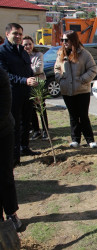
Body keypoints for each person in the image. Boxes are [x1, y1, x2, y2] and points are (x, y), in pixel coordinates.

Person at [0, 23, 40, 167]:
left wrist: (34, 89)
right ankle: (14, 157)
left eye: (20, 34)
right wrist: (24, 80)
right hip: (12, 94)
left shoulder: (22, 51)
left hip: (26, 93)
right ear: (7, 34)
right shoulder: (2, 52)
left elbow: (29, 70)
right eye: (15, 34)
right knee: (15, 125)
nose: (18, 36)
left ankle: (25, 147)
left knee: (26, 123)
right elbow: (5, 75)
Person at [54, 30, 97, 148]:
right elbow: (57, 68)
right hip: (67, 91)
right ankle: (75, 140)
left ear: (73, 40)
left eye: (66, 40)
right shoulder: (61, 54)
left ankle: (90, 140)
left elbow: (93, 69)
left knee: (83, 116)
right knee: (73, 116)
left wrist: (82, 80)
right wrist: (60, 79)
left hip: (82, 91)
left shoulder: (84, 54)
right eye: (62, 40)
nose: (64, 42)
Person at [0, 67, 22, 231]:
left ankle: (11, 213)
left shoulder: (1, 74)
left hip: (3, 133)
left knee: (5, 174)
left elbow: (4, 108)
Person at [22, 36, 49, 141]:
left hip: (39, 83)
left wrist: (25, 70)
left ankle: (45, 131)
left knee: (41, 107)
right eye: (25, 44)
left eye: (30, 44)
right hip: (28, 84)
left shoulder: (38, 55)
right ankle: (36, 130)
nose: (28, 46)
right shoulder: (21, 56)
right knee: (31, 109)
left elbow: (38, 68)